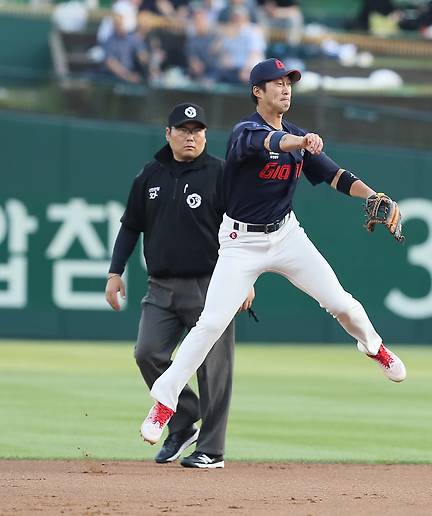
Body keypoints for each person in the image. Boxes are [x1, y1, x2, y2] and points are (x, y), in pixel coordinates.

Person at [140, 58, 407, 446]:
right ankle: (164, 403)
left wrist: (373, 195)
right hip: (240, 242)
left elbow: (336, 176)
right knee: (210, 324)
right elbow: (269, 143)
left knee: (341, 302)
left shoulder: (297, 136)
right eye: (276, 83)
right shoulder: (245, 132)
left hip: (286, 236)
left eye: (289, 83)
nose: (285, 89)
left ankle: (375, 348)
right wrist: (301, 142)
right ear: (257, 91)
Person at [106, 102, 255, 469]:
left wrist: (246, 277)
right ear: (168, 133)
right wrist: (115, 272)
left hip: (212, 285)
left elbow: (243, 229)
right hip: (160, 286)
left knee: (213, 369)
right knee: (147, 352)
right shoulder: (150, 175)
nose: (191, 136)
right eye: (184, 130)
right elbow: (130, 225)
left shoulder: (221, 173)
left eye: (198, 130)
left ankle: (212, 451)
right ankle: (185, 418)